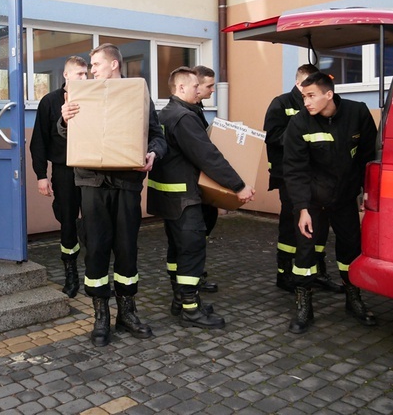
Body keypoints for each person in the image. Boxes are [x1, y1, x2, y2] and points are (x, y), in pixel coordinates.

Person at [60, 43, 167, 347]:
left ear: (113, 65)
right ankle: (100, 316)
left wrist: (153, 153)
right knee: (95, 249)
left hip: (127, 184)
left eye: (95, 64)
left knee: (126, 247)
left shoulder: (137, 95)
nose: (91, 70)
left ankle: (127, 313)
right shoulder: (82, 95)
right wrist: (65, 118)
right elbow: (68, 134)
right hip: (92, 184)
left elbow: (157, 136)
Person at [148, 67, 255, 329]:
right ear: (181, 88)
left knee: (177, 250)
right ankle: (191, 309)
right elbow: (207, 155)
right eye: (196, 86)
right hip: (184, 197)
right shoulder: (183, 117)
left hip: (169, 196)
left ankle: (179, 300)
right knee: (192, 250)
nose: (200, 90)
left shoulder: (167, 113)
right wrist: (238, 186)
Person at [283, 72, 378, 334]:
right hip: (312, 202)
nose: (307, 102)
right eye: (303, 96)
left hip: (345, 198)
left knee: (350, 249)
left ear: (329, 94)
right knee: (305, 252)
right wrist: (302, 209)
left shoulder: (357, 113)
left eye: (311, 95)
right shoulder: (300, 123)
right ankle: (304, 305)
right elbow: (294, 169)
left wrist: (366, 193)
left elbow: (369, 158)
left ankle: (353, 298)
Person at [264, 64, 343, 294]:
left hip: (317, 179)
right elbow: (273, 137)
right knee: (291, 225)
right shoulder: (281, 103)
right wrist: (300, 132)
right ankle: (285, 273)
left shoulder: (319, 106)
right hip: (289, 176)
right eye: (307, 85)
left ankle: (317, 271)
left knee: (319, 225)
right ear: (298, 83)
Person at [30, 56, 88, 298]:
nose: (85, 78)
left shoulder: (92, 99)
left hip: (91, 169)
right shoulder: (49, 101)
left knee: (95, 221)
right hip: (64, 170)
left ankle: (95, 273)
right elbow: (39, 141)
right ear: (66, 75)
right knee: (67, 221)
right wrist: (41, 175)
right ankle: (71, 273)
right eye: (80, 74)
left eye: (87, 74)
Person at [193, 65, 219, 294]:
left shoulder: (197, 108)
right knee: (196, 233)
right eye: (209, 86)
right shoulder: (186, 112)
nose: (212, 91)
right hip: (194, 186)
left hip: (202, 183)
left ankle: (198, 275)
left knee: (207, 224)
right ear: (195, 85)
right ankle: (193, 279)